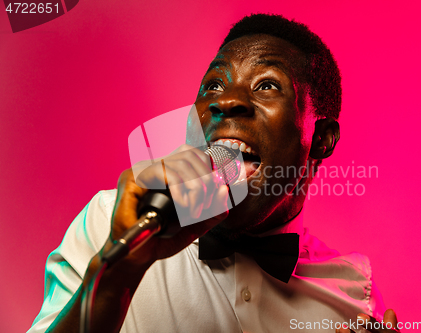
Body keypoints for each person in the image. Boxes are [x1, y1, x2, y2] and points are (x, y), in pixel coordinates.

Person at [29, 14, 399, 333]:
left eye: (267, 85)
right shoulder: (112, 225)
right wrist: (115, 277)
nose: (225, 101)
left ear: (321, 139)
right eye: (213, 86)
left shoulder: (354, 293)